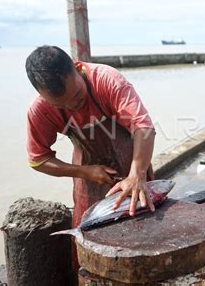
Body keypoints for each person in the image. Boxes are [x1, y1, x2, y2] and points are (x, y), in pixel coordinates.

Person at [25, 46, 156, 261]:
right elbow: (39, 160)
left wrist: (136, 175)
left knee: (144, 240)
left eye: (76, 95)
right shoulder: (39, 109)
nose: (72, 105)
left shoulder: (107, 80)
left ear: (77, 68)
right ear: (43, 96)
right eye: (62, 104)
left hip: (134, 168)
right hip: (88, 180)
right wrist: (84, 172)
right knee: (88, 245)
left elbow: (144, 127)